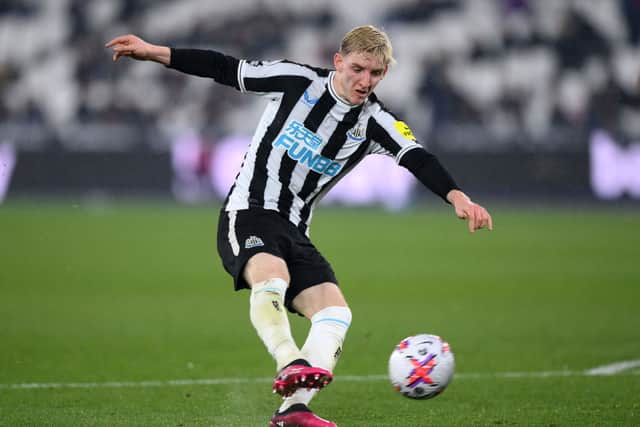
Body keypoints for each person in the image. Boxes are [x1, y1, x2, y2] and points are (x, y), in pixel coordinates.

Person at [106, 25, 492, 427]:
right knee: (271, 278)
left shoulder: (374, 121)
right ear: (338, 62)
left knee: (335, 314)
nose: (365, 81)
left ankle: (294, 409)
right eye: (358, 69)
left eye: (375, 74)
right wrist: (155, 52)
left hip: (296, 228)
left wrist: (457, 197)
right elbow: (225, 67)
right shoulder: (295, 81)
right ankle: (289, 359)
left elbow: (417, 157)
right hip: (248, 211)